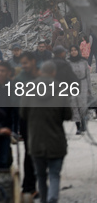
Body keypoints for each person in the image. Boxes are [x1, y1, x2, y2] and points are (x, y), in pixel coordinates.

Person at [20, 61, 72, 203]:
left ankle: (44, 199)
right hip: (56, 141)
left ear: (41, 72)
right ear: (54, 73)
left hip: (36, 141)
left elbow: (23, 114)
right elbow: (68, 115)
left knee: (41, 176)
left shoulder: (29, 88)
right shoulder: (61, 89)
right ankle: (52, 198)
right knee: (54, 175)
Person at [14, 52, 40, 196]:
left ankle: (32, 185)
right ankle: (29, 186)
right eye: (22, 63)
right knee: (31, 154)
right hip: (26, 122)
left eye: (26, 63)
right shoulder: (20, 80)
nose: (24, 66)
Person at [68, 45, 91, 134]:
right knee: (74, 106)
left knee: (82, 106)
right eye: (72, 50)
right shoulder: (68, 62)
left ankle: (83, 123)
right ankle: (78, 126)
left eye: (75, 50)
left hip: (83, 84)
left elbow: (88, 76)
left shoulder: (84, 62)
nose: (73, 52)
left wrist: (89, 89)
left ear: (78, 51)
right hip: (72, 85)